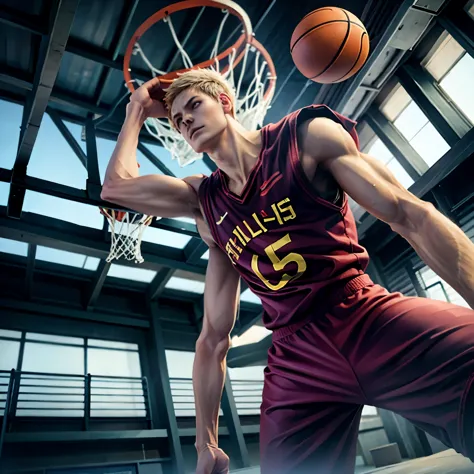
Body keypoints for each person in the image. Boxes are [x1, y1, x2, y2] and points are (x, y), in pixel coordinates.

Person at [101, 69, 474, 474]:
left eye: (194, 105)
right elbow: (116, 190)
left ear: (225, 103)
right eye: (176, 118)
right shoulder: (206, 204)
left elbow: (410, 215)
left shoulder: (305, 137)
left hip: (364, 315)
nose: (185, 120)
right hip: (296, 361)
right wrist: (136, 109)